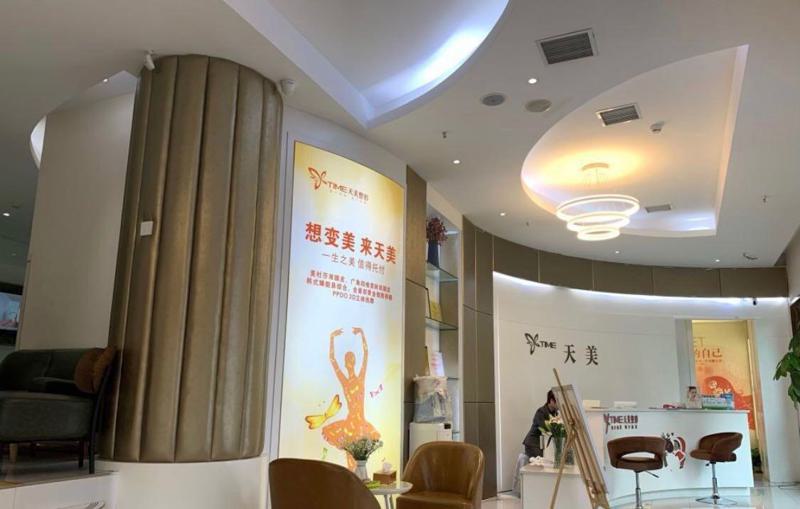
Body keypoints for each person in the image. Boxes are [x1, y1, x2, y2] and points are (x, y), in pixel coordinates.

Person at [523, 390, 559, 458]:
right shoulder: (541, 412)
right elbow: (545, 428)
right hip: (533, 444)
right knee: (545, 460)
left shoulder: (555, 413)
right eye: (558, 401)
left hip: (542, 444)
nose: (560, 404)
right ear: (551, 400)